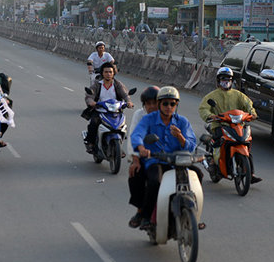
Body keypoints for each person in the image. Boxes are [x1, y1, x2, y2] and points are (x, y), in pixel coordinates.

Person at [130, 86, 198, 230]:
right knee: (154, 182)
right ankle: (146, 216)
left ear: (176, 105)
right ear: (160, 104)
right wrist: (141, 148)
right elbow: (137, 134)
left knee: (198, 175)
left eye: (172, 104)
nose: (168, 107)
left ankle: (194, 216)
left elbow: (191, 145)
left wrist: (180, 137)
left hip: (178, 163)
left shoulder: (182, 122)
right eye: (165, 103)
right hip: (156, 161)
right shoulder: (148, 119)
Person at [198, 67, 261, 183]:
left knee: (245, 145)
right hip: (219, 125)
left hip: (237, 126)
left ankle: (250, 173)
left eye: (228, 79)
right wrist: (210, 115)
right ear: (218, 81)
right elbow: (203, 108)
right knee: (217, 141)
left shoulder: (238, 95)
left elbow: (248, 105)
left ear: (232, 81)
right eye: (223, 79)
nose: (226, 81)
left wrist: (252, 113)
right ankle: (213, 161)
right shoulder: (212, 96)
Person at [126, 86, 159, 228]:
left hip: (169, 157)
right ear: (144, 105)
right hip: (147, 157)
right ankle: (141, 210)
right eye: (148, 103)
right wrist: (135, 158)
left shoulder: (172, 116)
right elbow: (133, 136)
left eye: (155, 103)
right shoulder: (140, 116)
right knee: (137, 175)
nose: (152, 107)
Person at [83, 62, 133, 153]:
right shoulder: (97, 85)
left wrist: (128, 102)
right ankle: (90, 143)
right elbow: (89, 95)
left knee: (122, 125)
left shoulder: (118, 84)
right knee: (94, 123)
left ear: (113, 73)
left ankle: (119, 145)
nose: (108, 74)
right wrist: (91, 102)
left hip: (115, 111)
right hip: (100, 110)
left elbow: (125, 95)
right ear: (102, 73)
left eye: (110, 72)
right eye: (106, 72)